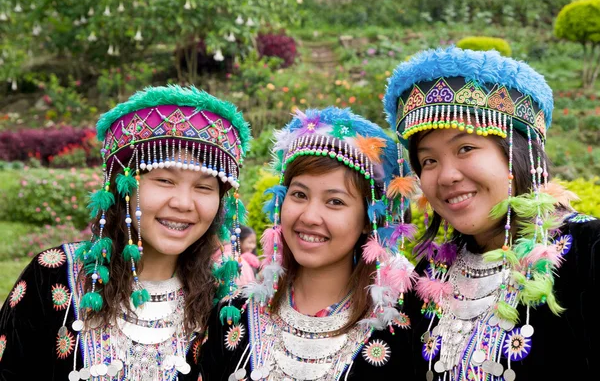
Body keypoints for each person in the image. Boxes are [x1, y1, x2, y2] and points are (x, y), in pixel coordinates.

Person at [0, 85, 251, 380]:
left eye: (204, 187)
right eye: (165, 180)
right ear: (123, 188)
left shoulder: (223, 309)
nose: (184, 204)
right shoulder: (54, 275)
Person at [383, 46, 600, 380]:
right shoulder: (430, 276)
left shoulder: (587, 250)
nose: (446, 176)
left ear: (519, 155)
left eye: (466, 148)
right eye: (429, 161)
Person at [198, 106, 417, 380]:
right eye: (299, 195)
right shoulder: (233, 314)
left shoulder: (402, 324)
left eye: (335, 201)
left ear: (368, 219)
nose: (310, 217)